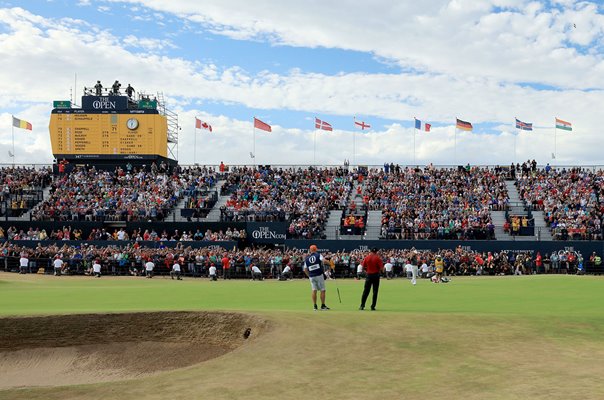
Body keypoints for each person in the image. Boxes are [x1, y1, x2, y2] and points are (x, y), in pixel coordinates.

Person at [303, 244, 329, 311]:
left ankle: (315, 306)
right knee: (322, 290)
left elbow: (305, 269)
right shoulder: (318, 255)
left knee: (314, 290)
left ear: (310, 250)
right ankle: (323, 306)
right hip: (319, 275)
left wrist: (309, 276)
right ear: (316, 249)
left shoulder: (307, 258)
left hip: (311, 276)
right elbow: (324, 261)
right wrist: (330, 263)